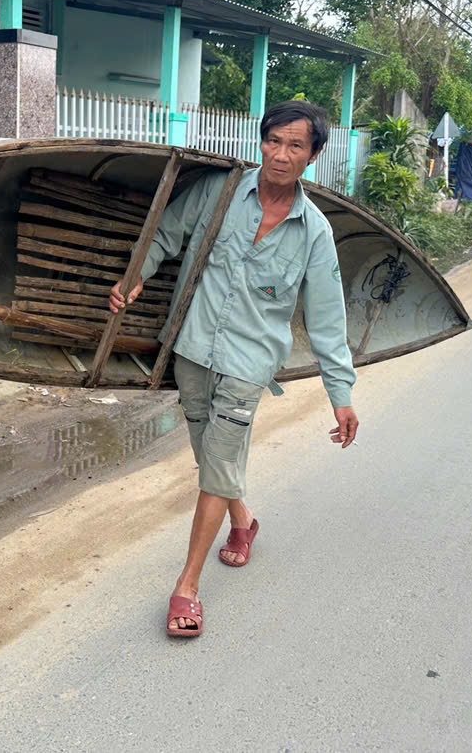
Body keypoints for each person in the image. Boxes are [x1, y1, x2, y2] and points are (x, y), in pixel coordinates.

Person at [109, 100, 359, 639]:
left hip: (250, 364)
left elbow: (327, 317)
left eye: (296, 146)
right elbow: (165, 234)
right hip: (193, 347)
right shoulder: (220, 192)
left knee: (218, 462)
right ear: (261, 141)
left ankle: (188, 586)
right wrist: (137, 276)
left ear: (312, 156)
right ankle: (243, 522)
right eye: (274, 141)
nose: (281, 154)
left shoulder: (314, 232)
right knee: (209, 454)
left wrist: (341, 393)